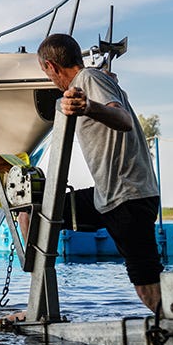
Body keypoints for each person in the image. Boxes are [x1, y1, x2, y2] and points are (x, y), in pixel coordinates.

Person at [10, 33, 163, 321]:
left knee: (147, 288)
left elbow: (124, 120)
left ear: (51, 67)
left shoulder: (89, 80)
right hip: (105, 196)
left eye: (47, 73)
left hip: (128, 196)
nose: (50, 80)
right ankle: (38, 306)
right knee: (34, 212)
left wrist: (89, 106)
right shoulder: (94, 81)